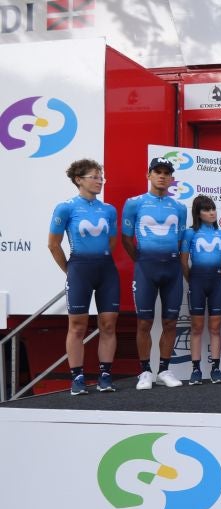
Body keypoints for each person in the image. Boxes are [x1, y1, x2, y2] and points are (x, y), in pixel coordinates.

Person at [48, 159, 119, 395]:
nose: (99, 181)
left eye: (101, 177)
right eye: (94, 177)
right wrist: (70, 270)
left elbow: (112, 241)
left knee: (108, 324)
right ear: (79, 180)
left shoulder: (109, 210)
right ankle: (77, 377)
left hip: (106, 269)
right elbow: (53, 244)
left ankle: (105, 375)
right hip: (79, 268)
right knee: (77, 326)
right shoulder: (65, 208)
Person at [121, 157, 187, 390]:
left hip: (171, 268)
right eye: (157, 172)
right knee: (144, 322)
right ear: (148, 175)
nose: (162, 176)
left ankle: (165, 369)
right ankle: (145, 371)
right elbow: (126, 238)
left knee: (170, 322)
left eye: (166, 173)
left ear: (171, 179)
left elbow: (179, 239)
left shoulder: (179, 207)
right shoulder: (134, 203)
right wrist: (140, 259)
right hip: (145, 268)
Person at [180, 195, 221, 385]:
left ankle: (215, 369)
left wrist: (215, 275)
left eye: (213, 209)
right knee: (197, 328)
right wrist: (193, 280)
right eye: (207, 210)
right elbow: (184, 262)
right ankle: (196, 370)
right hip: (197, 283)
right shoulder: (190, 234)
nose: (212, 213)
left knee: (215, 328)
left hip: (216, 283)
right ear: (198, 213)